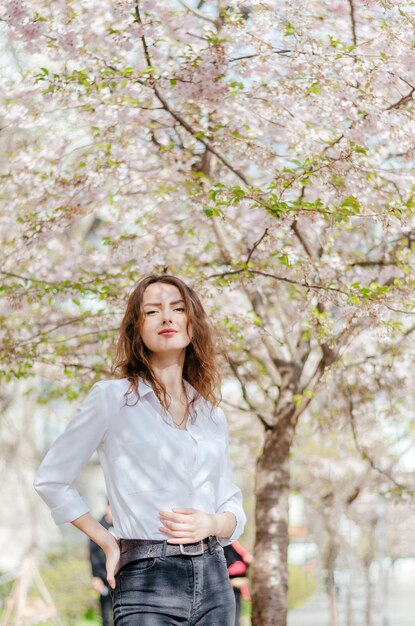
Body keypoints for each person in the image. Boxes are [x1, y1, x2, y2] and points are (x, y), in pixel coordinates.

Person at [34, 274, 246, 626]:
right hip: (146, 578)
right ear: (137, 328)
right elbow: (52, 479)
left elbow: (231, 501)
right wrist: (106, 542)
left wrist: (213, 522)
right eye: (152, 311)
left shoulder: (211, 414)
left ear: (192, 323)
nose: (167, 318)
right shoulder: (112, 399)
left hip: (214, 578)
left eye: (178, 309)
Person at [89, 503, 114, 626]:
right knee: (106, 614)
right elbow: (92, 554)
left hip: (118, 575)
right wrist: (95, 576)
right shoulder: (98, 526)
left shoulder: (120, 526)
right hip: (103, 576)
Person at [224, 542, 252, 626]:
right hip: (221, 595)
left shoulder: (234, 545)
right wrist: (232, 582)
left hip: (236, 594)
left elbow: (247, 560)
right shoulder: (220, 547)